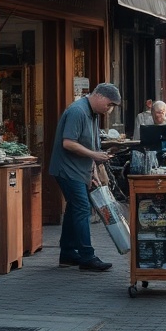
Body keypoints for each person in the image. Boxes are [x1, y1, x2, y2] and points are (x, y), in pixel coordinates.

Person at [49, 82, 123, 271]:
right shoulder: (78, 111)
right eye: (109, 104)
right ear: (99, 96)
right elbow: (68, 143)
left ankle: (67, 254)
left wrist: (93, 171)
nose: (110, 109)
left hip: (79, 169)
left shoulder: (92, 113)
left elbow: (89, 144)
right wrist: (94, 156)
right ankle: (87, 256)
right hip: (67, 169)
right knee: (82, 208)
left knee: (75, 208)